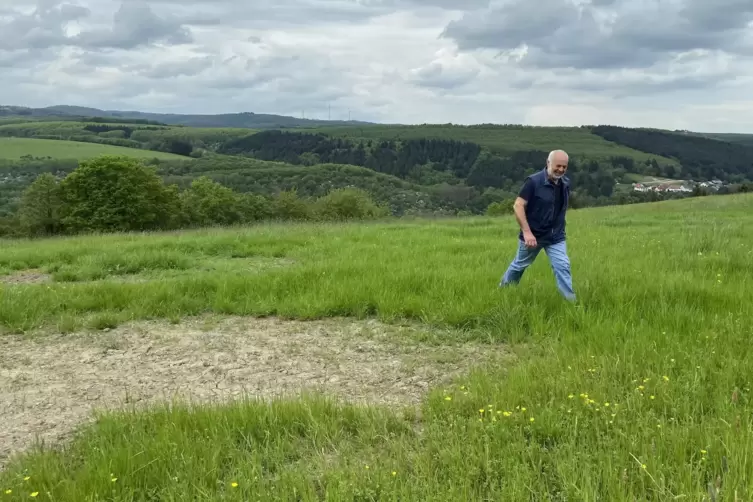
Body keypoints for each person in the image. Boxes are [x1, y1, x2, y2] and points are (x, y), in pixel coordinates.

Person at [499, 149, 576, 301]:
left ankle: (570, 303)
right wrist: (527, 232)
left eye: (564, 167)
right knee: (519, 265)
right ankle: (504, 291)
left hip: (556, 237)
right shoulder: (533, 182)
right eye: (558, 166)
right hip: (533, 236)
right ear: (548, 163)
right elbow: (518, 205)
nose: (561, 170)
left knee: (563, 267)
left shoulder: (565, 183)